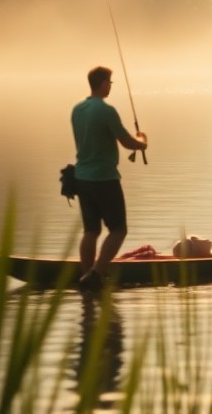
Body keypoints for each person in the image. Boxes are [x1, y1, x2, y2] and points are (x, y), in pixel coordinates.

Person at [72, 65, 148, 291]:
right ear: (103, 83)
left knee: (91, 231)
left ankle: (85, 276)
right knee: (118, 229)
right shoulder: (106, 110)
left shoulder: (77, 109)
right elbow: (127, 142)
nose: (110, 87)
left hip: (82, 177)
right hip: (104, 178)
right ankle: (96, 274)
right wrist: (142, 142)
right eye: (110, 83)